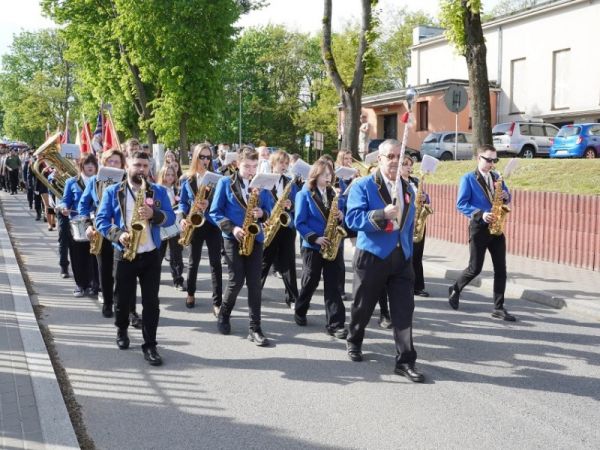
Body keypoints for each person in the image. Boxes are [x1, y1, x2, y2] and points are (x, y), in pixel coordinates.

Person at [345, 139, 424, 383]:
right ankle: (354, 339)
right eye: (390, 156)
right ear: (379, 159)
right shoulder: (363, 185)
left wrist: (409, 250)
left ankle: (405, 361)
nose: (394, 161)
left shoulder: (409, 188)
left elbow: (408, 224)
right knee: (362, 306)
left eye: (399, 156)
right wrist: (381, 214)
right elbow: (352, 219)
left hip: (401, 258)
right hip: (373, 256)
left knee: (403, 312)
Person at [96, 151, 175, 366]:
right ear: (128, 166)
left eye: (145, 166)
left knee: (152, 302)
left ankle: (150, 345)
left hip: (150, 254)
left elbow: (171, 218)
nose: (141, 169)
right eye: (137, 165)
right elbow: (101, 220)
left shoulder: (157, 191)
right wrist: (118, 234)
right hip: (124, 252)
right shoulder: (113, 191)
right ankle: (121, 329)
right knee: (122, 299)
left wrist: (154, 215)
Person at [209, 147, 273, 347]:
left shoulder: (261, 185)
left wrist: (262, 213)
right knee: (236, 280)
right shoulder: (225, 183)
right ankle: (224, 314)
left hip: (256, 238)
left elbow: (269, 209)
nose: (251, 170)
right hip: (233, 237)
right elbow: (215, 212)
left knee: (254, 284)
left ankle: (255, 328)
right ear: (237, 164)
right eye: (247, 166)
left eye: (254, 166)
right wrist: (233, 229)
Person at [448, 144, 515, 321]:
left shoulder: (496, 177)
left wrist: (507, 196)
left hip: (496, 228)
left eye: (495, 160)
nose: (492, 163)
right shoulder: (468, 178)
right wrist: (481, 214)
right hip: (479, 227)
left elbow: (506, 193)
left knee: (501, 269)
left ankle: (498, 307)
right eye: (489, 160)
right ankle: (456, 288)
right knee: (475, 268)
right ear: (479, 158)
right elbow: (461, 204)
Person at [294, 159, 347, 339]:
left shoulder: (334, 194)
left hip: (332, 244)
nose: (329, 178)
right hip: (312, 246)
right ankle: (300, 309)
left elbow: (340, 217)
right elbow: (299, 222)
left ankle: (335, 324)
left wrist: (341, 216)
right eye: (325, 174)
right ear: (315, 175)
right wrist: (315, 238)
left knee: (333, 284)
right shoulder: (304, 194)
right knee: (311, 281)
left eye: (330, 174)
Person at [79, 149, 127, 318]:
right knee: (104, 270)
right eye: (109, 162)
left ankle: (123, 304)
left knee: (122, 272)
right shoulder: (93, 181)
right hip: (102, 231)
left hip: (122, 233)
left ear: (122, 165)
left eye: (117, 162)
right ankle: (107, 302)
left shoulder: (128, 181)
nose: (113, 165)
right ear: (103, 164)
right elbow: (83, 206)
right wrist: (87, 226)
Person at [179, 143, 223, 314]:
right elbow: (182, 202)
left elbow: (222, 203)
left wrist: (209, 203)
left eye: (208, 157)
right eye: (202, 157)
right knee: (193, 261)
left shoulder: (217, 178)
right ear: (195, 157)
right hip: (194, 223)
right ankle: (190, 293)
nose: (205, 160)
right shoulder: (187, 179)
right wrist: (183, 218)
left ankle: (217, 302)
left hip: (212, 224)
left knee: (215, 264)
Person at [260, 150, 299, 309]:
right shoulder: (263, 182)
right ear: (272, 164)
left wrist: (291, 205)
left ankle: (292, 298)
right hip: (269, 226)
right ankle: (255, 292)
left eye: (285, 163)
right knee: (264, 263)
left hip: (286, 227)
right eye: (280, 163)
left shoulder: (291, 183)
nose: (283, 166)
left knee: (288, 264)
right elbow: (259, 205)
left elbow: (298, 204)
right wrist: (263, 219)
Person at [57, 154, 99, 297]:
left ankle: (95, 284)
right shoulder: (71, 182)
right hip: (78, 223)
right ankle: (80, 285)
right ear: (81, 165)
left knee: (95, 254)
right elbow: (65, 201)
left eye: (93, 163)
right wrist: (63, 207)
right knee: (77, 255)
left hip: (96, 223)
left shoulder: (101, 181)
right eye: (87, 163)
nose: (90, 166)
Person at [404, 156, 430, 297]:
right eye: (405, 164)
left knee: (418, 255)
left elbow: (425, 196)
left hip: (418, 220)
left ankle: (418, 286)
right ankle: (405, 284)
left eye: (410, 165)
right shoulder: (398, 182)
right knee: (407, 255)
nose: (408, 167)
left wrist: (425, 198)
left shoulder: (415, 180)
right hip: (406, 221)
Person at [156, 164, 185, 290]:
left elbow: (183, 204)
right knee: (159, 253)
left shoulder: (178, 189)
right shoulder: (157, 189)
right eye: (167, 174)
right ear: (162, 175)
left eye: (172, 175)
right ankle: (154, 278)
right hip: (161, 224)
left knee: (176, 253)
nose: (170, 177)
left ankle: (178, 279)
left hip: (175, 224)